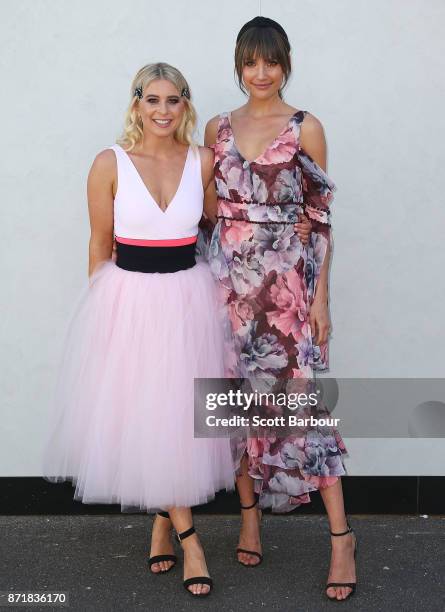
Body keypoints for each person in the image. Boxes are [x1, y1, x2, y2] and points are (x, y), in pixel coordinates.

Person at [41, 62, 236, 598]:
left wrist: (298, 225)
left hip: (188, 298)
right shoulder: (110, 163)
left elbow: (226, 225)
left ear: (185, 105)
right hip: (129, 300)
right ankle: (190, 536)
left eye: (173, 100)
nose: (163, 111)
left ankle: (162, 522)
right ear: (136, 104)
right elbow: (98, 245)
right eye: (152, 100)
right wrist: (99, 320)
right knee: (147, 411)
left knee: (176, 416)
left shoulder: (201, 161)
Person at [203, 17, 357, 602]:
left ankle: (341, 538)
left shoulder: (305, 127)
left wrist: (319, 299)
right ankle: (249, 518)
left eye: (270, 62)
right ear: (239, 65)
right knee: (237, 404)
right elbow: (212, 210)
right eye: (250, 62)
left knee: (302, 411)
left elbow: (320, 221)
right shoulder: (218, 127)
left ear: (285, 64)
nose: (260, 74)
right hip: (229, 289)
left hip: (289, 293)